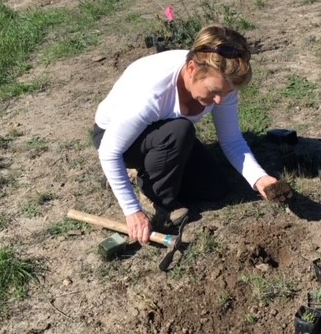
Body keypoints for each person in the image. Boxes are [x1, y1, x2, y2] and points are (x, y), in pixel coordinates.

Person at [93, 23, 291, 244]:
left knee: (215, 187)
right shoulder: (152, 94)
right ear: (191, 69)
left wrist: (259, 178)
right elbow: (109, 152)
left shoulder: (223, 86)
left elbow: (231, 139)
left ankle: (149, 169)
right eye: (214, 92)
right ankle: (153, 195)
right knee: (179, 130)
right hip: (115, 139)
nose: (219, 101)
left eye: (226, 93)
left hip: (166, 136)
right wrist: (132, 212)